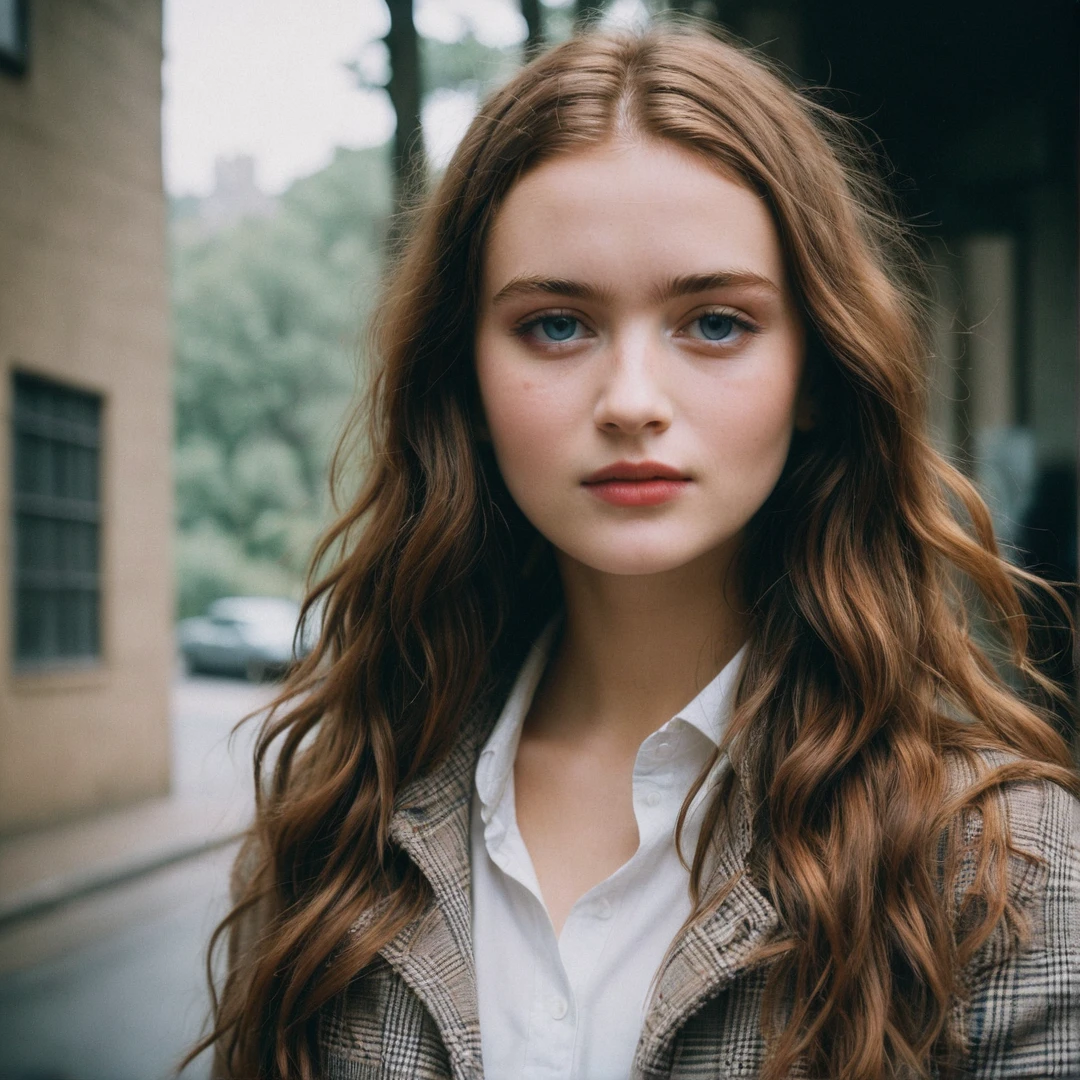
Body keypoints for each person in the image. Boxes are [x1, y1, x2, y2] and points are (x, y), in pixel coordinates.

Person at [195, 22, 1080, 1080]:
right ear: (464, 381)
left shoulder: (1004, 866)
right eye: (557, 326)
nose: (630, 404)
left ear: (815, 373)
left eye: (714, 323)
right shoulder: (339, 822)